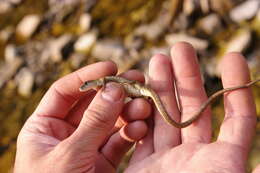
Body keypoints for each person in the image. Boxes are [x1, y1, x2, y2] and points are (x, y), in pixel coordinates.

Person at [14, 42, 259, 173]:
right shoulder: (103, 86)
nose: (86, 88)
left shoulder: (106, 84)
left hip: (142, 90)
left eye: (88, 86)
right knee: (152, 113)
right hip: (139, 91)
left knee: (151, 104)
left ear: (97, 83)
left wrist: (107, 99)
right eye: (87, 86)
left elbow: (116, 87)